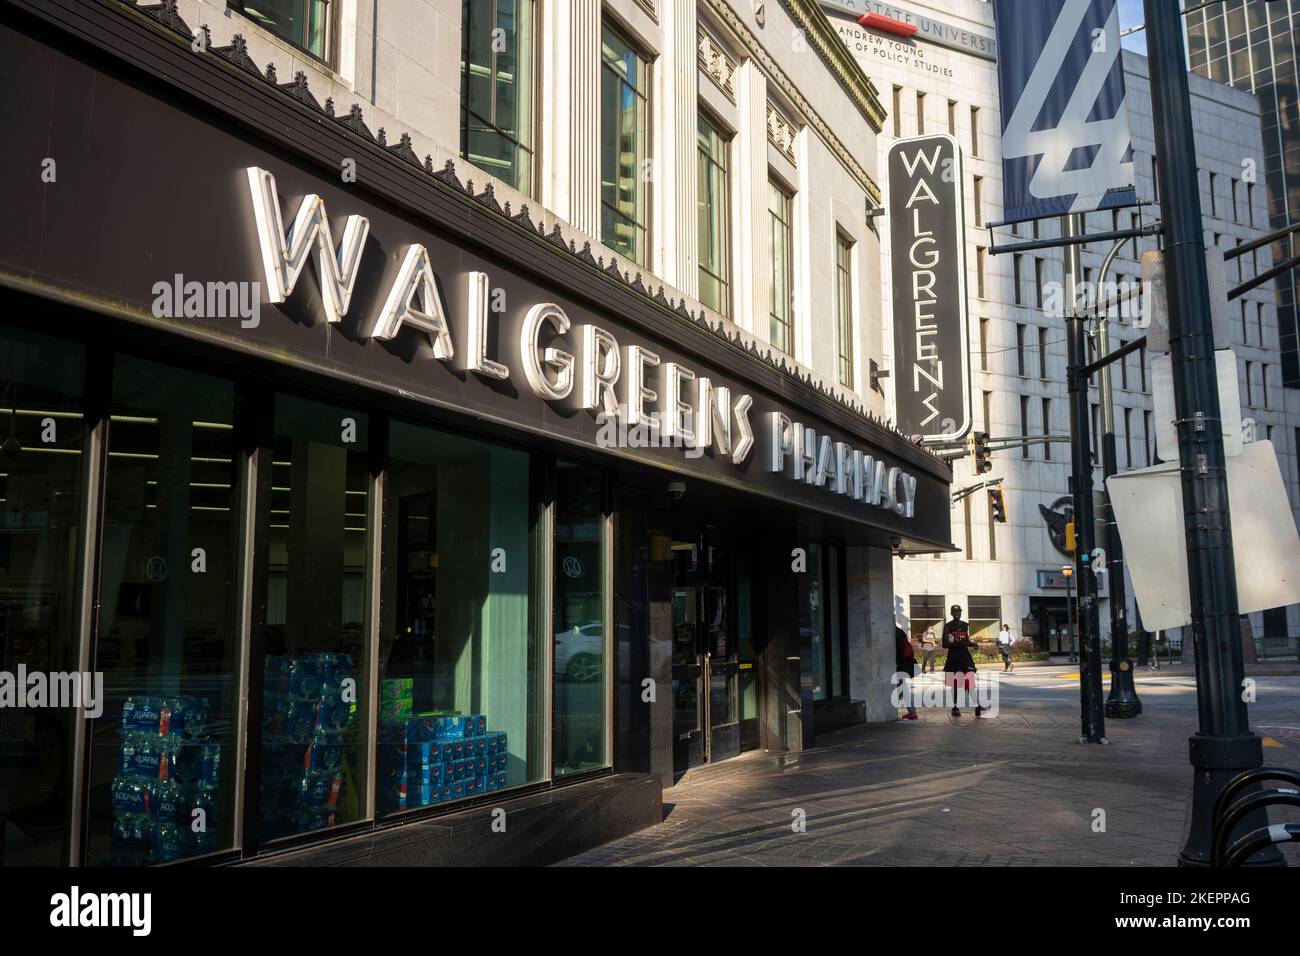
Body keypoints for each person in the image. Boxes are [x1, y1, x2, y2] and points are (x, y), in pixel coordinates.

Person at [942, 604, 983, 717]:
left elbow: (966, 640)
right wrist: (955, 643)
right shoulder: (948, 626)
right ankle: (955, 707)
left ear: (961, 613)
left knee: (969, 680)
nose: (957, 614)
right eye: (954, 612)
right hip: (953, 657)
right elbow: (944, 644)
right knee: (954, 683)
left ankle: (977, 705)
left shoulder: (965, 625)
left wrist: (972, 644)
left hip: (965, 656)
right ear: (951, 613)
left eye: (958, 612)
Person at [895, 626, 918, 720]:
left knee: (902, 687)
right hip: (901, 663)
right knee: (902, 686)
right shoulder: (899, 631)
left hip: (897, 663)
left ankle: (912, 711)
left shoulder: (893, 632)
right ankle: (912, 710)